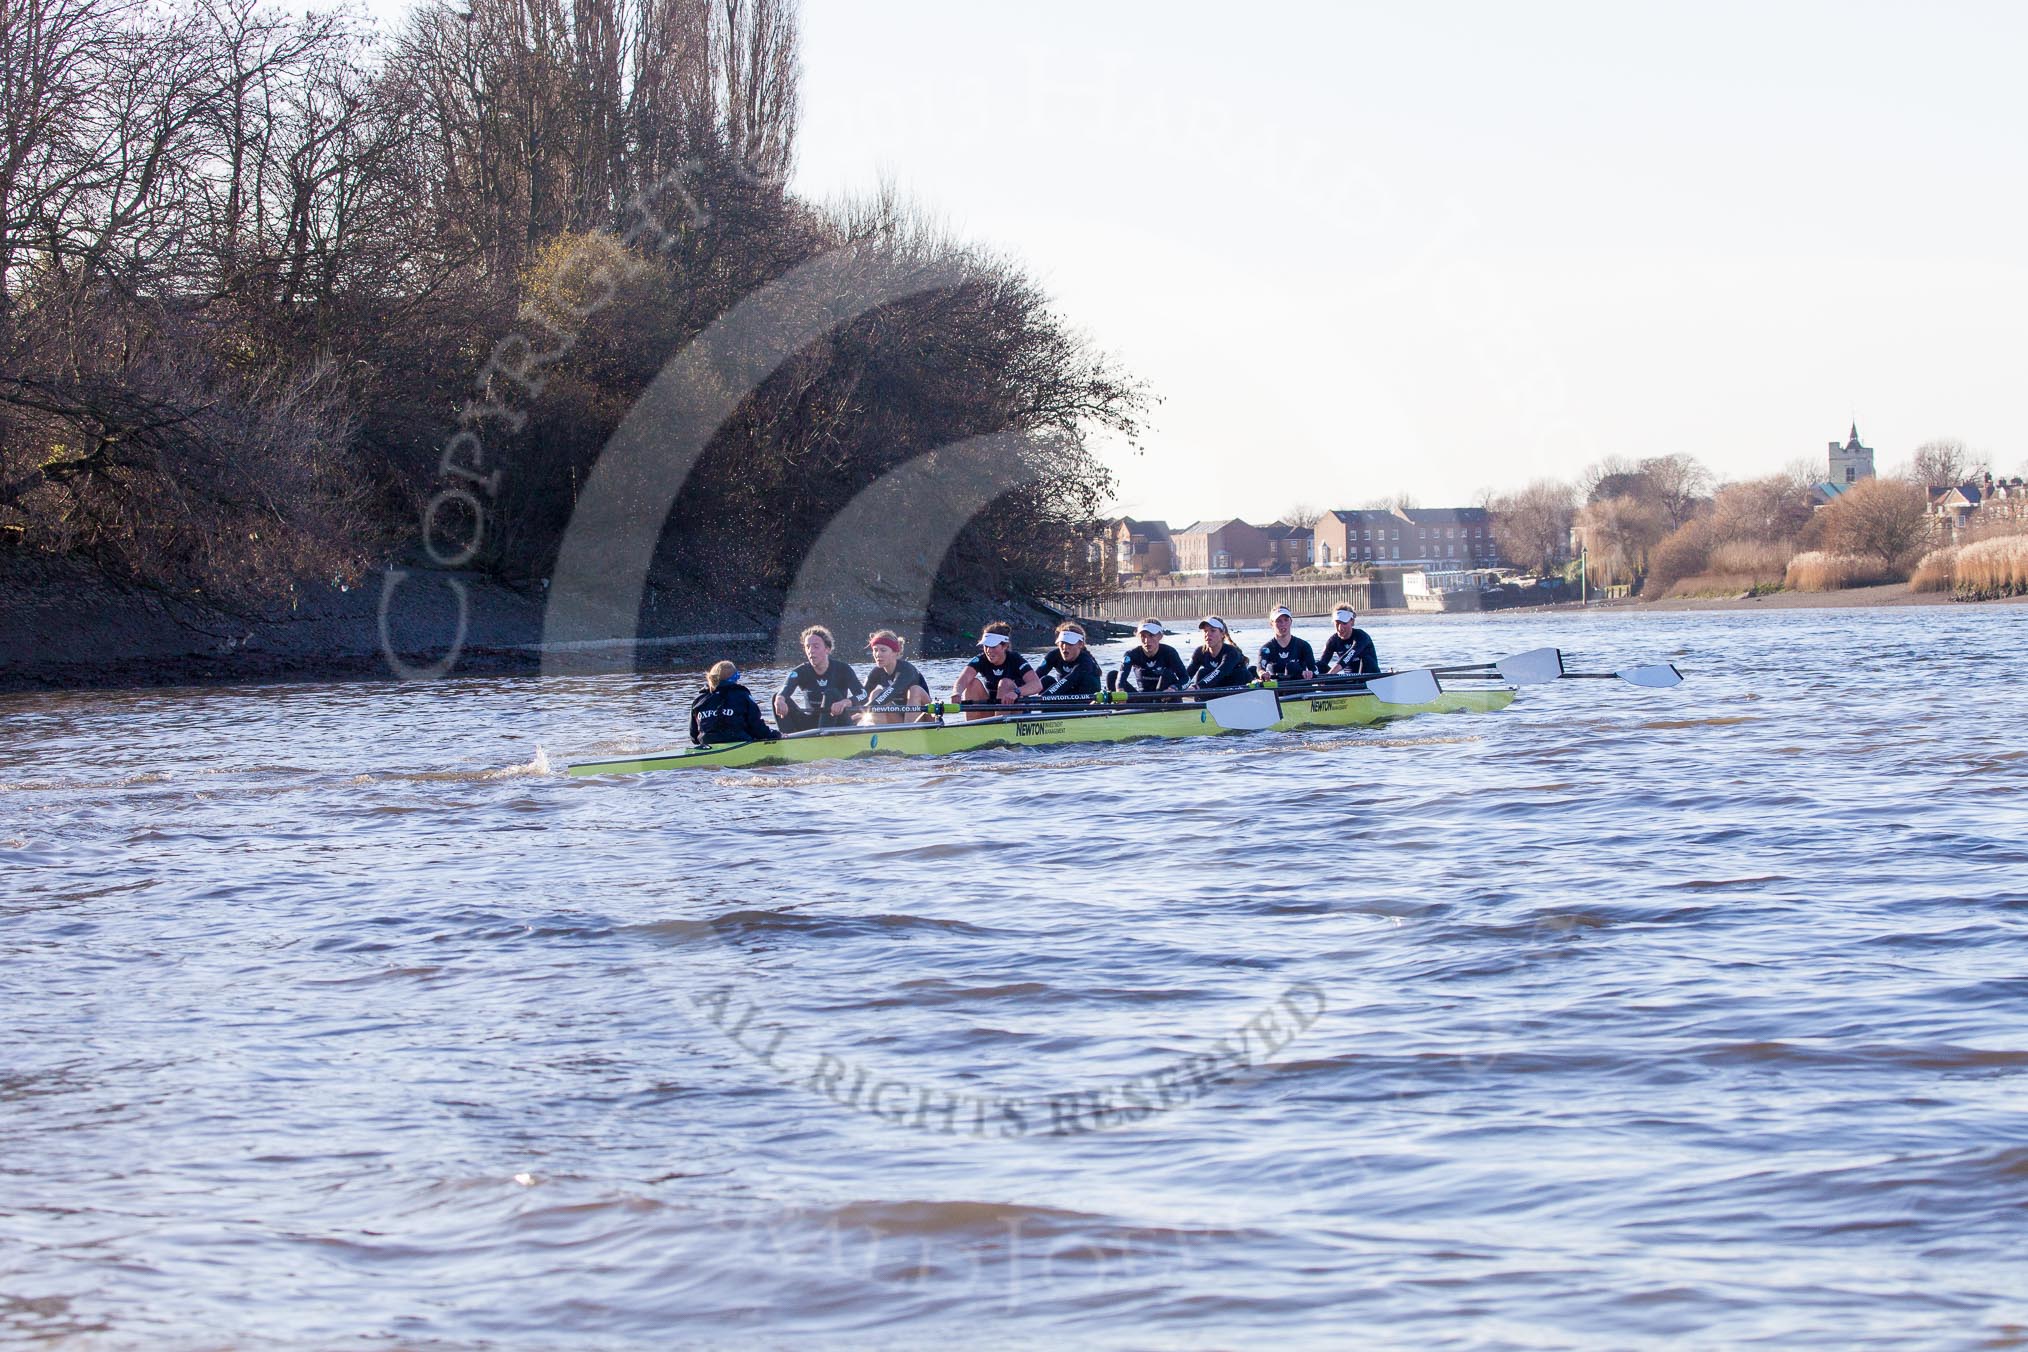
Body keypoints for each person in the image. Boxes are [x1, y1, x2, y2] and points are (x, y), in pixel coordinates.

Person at [774, 625, 864, 733]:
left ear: (827, 649)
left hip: (838, 722)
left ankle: (824, 739)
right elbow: (786, 688)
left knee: (831, 693)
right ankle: (786, 739)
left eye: (816, 646)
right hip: (812, 723)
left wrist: (845, 702)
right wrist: (780, 699)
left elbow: (864, 695)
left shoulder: (843, 669)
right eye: (808, 647)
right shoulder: (800, 671)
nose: (811, 651)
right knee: (777, 697)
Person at [952, 622, 1041, 719]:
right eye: (986, 646)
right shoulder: (981, 659)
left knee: (1005, 683)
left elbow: (1037, 685)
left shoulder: (1015, 659)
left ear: (1005, 646)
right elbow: (964, 679)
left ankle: (1000, 726)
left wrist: (1016, 692)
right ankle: (971, 727)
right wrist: (957, 693)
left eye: (993, 646)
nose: (989, 650)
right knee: (972, 683)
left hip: (1016, 711)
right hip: (993, 710)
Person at [690, 661, 780, 745]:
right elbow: (758, 728)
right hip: (739, 743)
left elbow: (694, 737)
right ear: (734, 678)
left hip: (708, 744)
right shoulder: (742, 696)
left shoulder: (699, 700)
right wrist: (776, 735)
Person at [861, 630, 932, 724]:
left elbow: (893, 690)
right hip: (900, 718)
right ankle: (882, 733)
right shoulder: (876, 672)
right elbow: (862, 696)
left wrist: (869, 706)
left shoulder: (907, 670)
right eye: (875, 650)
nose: (878, 654)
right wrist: (845, 704)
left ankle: (909, 731)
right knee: (876, 693)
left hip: (925, 717)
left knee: (915, 690)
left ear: (895, 652)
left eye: (883, 650)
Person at [1116, 618, 1187, 696]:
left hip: (1165, 697)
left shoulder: (1169, 652)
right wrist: (1119, 689)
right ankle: (1120, 704)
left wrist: (1174, 688)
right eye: (1143, 636)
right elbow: (1121, 677)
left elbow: (1185, 679)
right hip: (1143, 698)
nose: (1147, 641)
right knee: (1112, 676)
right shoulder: (1131, 654)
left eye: (1151, 635)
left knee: (1167, 674)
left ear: (1160, 636)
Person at [1035, 621, 1103, 699]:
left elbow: (1070, 680)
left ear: (1080, 645)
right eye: (1062, 643)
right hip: (1064, 693)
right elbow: (1035, 676)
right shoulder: (1053, 655)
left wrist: (1043, 697)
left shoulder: (1085, 661)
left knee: (1087, 681)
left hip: (1085, 698)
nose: (1065, 647)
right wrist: (1020, 691)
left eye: (1069, 643)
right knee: (1045, 680)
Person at [1184, 614, 1252, 689]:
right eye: (1205, 631)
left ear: (1222, 634)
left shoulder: (1231, 652)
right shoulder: (1199, 652)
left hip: (1236, 685)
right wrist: (1175, 687)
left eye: (1212, 631)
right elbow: (1187, 676)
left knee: (1240, 673)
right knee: (1202, 672)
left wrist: (1198, 686)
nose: (1208, 634)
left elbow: (1220, 672)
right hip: (1216, 685)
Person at [1256, 604, 1317, 682]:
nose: (1283, 624)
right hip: (1277, 688)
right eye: (1279, 621)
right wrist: (1262, 674)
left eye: (1286, 620)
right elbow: (1260, 669)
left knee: (1292, 666)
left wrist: (1310, 673)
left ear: (1291, 621)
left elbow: (1314, 670)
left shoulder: (1303, 646)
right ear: (1271, 624)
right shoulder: (1266, 649)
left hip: (1300, 687)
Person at [1319, 603, 1380, 676]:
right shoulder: (1333, 641)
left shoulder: (1361, 636)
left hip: (1371, 678)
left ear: (1352, 622)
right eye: (1337, 623)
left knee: (1366, 659)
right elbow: (1322, 663)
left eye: (1344, 623)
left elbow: (1349, 656)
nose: (1340, 628)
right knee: (1319, 666)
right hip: (1350, 680)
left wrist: (1330, 674)